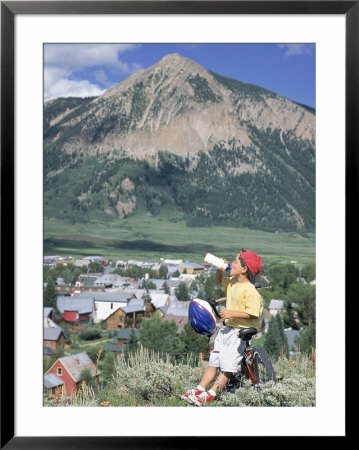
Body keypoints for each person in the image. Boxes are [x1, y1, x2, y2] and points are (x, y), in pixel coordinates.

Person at [181, 249, 263, 406]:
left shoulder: (251, 291)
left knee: (227, 366)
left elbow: (253, 314)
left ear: (244, 269)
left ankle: (210, 395)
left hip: (239, 333)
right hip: (227, 329)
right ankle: (199, 389)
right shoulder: (233, 283)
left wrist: (232, 313)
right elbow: (219, 282)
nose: (231, 263)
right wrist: (219, 270)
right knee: (214, 360)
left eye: (235, 262)